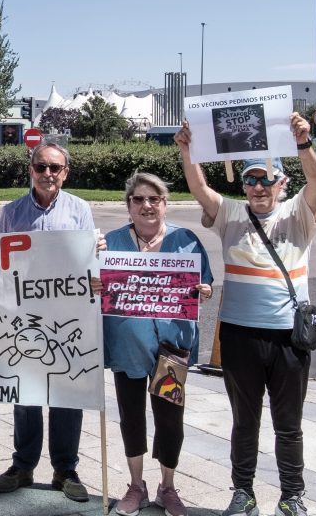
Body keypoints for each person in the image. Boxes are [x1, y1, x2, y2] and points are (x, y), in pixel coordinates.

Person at [174, 113, 316, 516]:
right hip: (239, 337)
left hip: (287, 340)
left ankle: (292, 495)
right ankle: (243, 492)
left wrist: (303, 143)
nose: (259, 188)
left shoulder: (298, 215)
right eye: (251, 181)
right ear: (243, 186)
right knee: (244, 422)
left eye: (266, 180)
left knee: (288, 424)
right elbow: (199, 188)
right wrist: (187, 150)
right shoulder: (231, 215)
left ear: (281, 183)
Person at [103, 172, 215, 516]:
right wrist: (95, 283)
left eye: (154, 199)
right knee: (131, 416)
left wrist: (204, 290)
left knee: (169, 419)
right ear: (129, 206)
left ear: (165, 204)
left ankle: (168, 485)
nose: (146, 205)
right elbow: (96, 283)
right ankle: (136, 485)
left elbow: (204, 282)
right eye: (138, 199)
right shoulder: (112, 242)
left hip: (172, 347)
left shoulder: (185, 240)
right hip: (127, 344)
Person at [0, 143, 95, 503]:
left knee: (67, 393)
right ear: (30, 169)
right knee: (27, 393)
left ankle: (65, 469)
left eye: (55, 167)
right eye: (41, 166)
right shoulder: (12, 212)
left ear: (65, 172)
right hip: (24, 317)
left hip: (66, 316)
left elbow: (90, 263)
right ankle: (23, 465)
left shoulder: (80, 210)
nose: (47, 173)